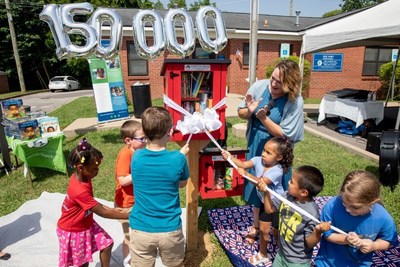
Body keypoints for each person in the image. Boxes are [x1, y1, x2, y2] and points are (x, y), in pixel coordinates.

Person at [237, 59, 304, 244]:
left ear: (290, 85)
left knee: (277, 189)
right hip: (258, 143)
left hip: (279, 149)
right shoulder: (259, 86)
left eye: (280, 82)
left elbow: (286, 135)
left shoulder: (295, 101)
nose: (273, 84)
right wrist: (249, 111)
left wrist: (263, 118)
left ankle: (276, 226)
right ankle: (256, 225)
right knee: (256, 183)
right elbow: (240, 111)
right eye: (273, 78)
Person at [129, 107, 189, 267]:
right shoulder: (178, 158)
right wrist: (181, 156)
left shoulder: (136, 157)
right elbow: (182, 184)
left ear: (144, 131)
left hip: (140, 229)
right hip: (169, 230)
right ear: (170, 131)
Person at [56, 138, 129, 267]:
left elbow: (98, 206)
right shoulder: (79, 190)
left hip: (86, 222)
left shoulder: (83, 177)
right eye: (94, 168)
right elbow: (103, 212)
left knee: (107, 244)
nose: (97, 171)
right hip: (74, 230)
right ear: (80, 167)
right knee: (82, 263)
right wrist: (131, 214)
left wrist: (116, 210)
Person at [222, 136, 293, 265]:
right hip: (264, 201)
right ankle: (263, 254)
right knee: (265, 230)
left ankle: (282, 249)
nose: (263, 154)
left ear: (279, 158)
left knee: (277, 231)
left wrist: (246, 174)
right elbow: (243, 164)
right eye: (264, 150)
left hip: (277, 205)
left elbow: (261, 183)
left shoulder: (278, 170)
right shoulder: (258, 160)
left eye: (268, 153)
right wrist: (230, 157)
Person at [314, 170, 398, 267]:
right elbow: (328, 235)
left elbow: (387, 240)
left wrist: (373, 246)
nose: (348, 209)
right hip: (327, 263)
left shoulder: (382, 217)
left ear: (372, 202)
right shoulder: (331, 207)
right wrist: (347, 239)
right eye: (344, 203)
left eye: (355, 207)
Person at [258, 165, 330, 266]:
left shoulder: (311, 212)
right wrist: (266, 193)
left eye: (291, 182)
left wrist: (317, 231)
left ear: (304, 192)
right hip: (281, 253)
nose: (288, 182)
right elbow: (269, 210)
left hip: (297, 261)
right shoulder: (287, 196)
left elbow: (310, 243)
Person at [114, 120, 145, 264]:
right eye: (141, 139)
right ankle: (128, 262)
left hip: (136, 201)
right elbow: (122, 180)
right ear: (128, 140)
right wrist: (139, 172)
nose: (145, 141)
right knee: (129, 237)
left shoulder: (138, 152)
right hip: (126, 204)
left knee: (138, 235)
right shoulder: (125, 154)